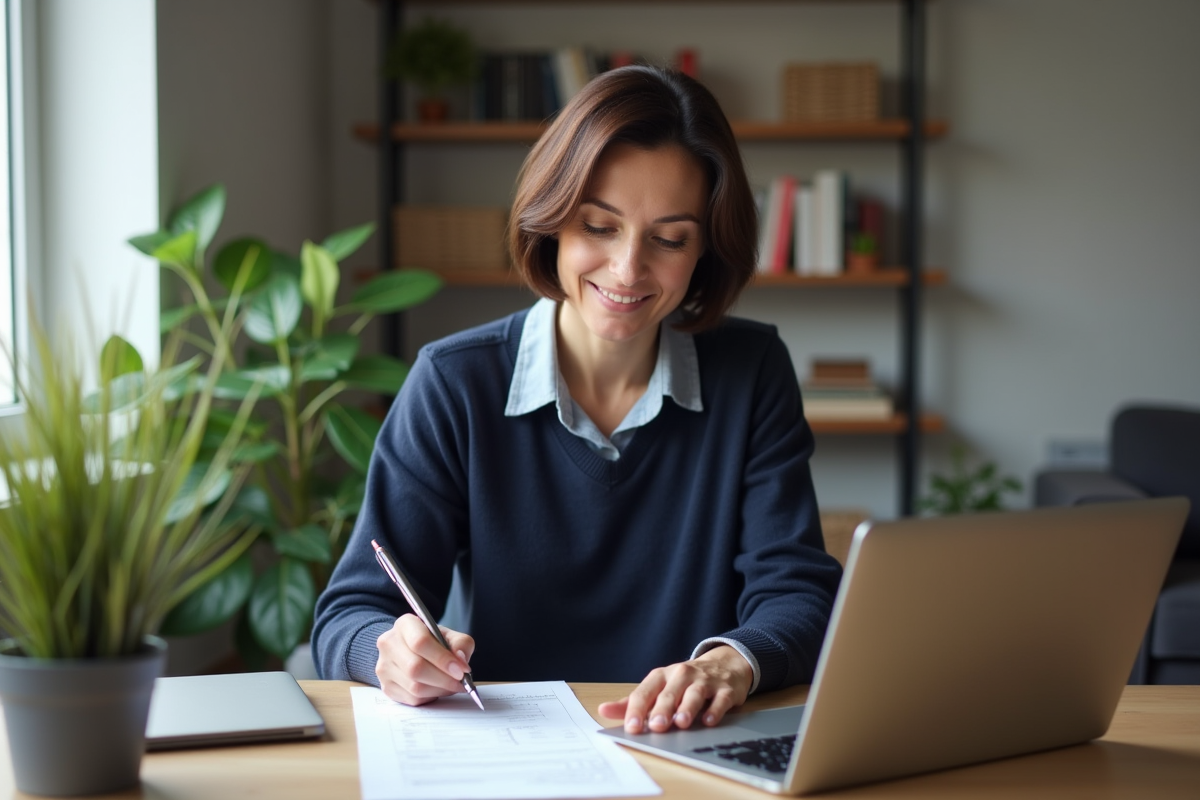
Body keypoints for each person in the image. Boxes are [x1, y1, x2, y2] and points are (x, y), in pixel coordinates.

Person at [312, 65, 842, 735]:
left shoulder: (752, 370)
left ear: (707, 250)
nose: (627, 271)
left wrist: (727, 665)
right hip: (508, 748)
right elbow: (349, 614)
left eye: (670, 239)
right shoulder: (454, 382)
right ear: (553, 221)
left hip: (691, 748)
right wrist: (389, 652)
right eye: (598, 227)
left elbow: (798, 593)